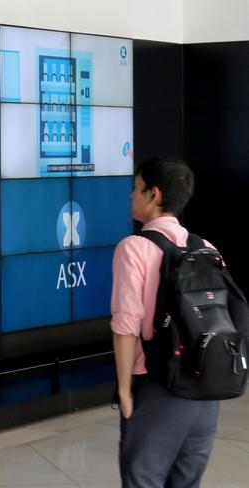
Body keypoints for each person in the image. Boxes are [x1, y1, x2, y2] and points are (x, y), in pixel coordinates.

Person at [111, 156, 219, 487]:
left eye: (136, 188)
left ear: (154, 194)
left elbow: (126, 326)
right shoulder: (207, 248)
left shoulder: (134, 247)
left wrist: (125, 389)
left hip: (158, 387)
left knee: (143, 480)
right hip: (206, 389)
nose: (131, 195)